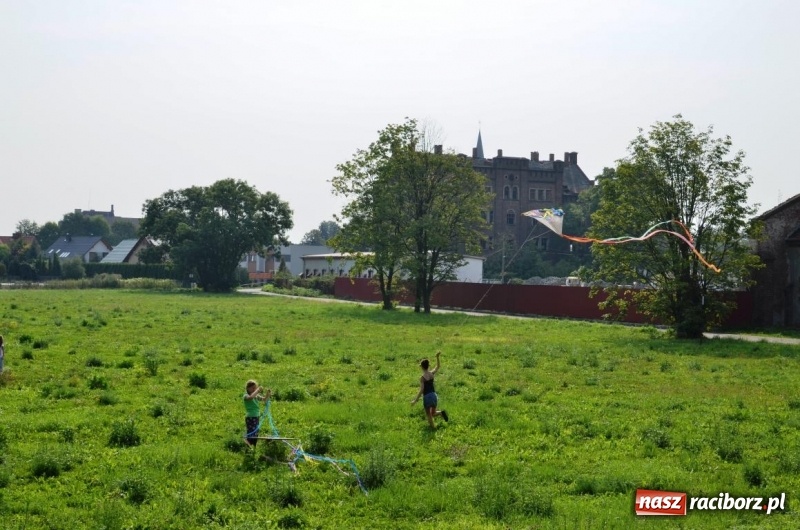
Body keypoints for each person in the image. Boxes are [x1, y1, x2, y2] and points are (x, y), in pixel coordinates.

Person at [411, 350, 448, 429]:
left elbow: (421, 390)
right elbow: (438, 367)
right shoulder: (431, 373)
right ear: (428, 366)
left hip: (427, 397)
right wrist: (437, 357)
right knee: (433, 413)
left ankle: (433, 429)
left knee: (429, 415)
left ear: (421, 366)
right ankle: (441, 413)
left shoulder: (422, 378)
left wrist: (415, 400)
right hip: (434, 396)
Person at [243, 379, 270, 446]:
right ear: (247, 388)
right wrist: (257, 391)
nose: (254, 390)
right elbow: (250, 397)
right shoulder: (246, 396)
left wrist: (268, 394)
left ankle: (253, 446)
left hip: (256, 416)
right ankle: (249, 446)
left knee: (255, 432)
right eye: (253, 388)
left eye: (255, 388)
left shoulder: (256, 396)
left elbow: (264, 399)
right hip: (250, 417)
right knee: (252, 432)